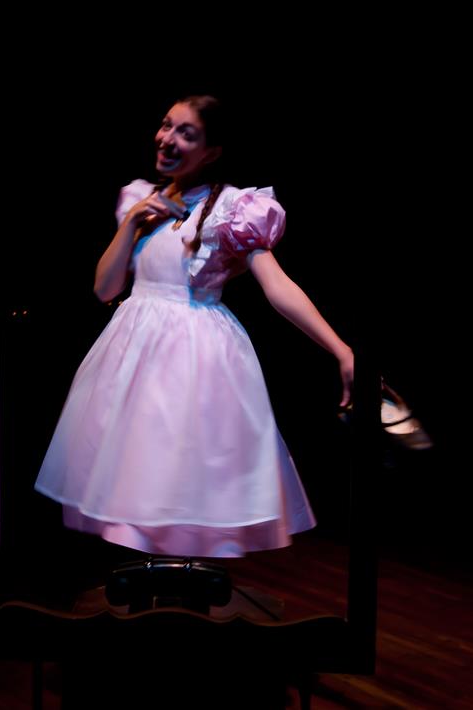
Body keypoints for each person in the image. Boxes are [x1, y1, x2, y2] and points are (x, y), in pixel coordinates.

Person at [35, 95, 354, 558]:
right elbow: (106, 289)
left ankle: (180, 592)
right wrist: (132, 224)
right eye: (166, 125)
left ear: (212, 151)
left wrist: (341, 349)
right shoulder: (138, 199)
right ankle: (152, 596)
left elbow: (277, 286)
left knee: (178, 478)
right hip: (131, 350)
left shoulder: (232, 208)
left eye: (187, 133)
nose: (168, 139)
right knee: (133, 480)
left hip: (192, 356)